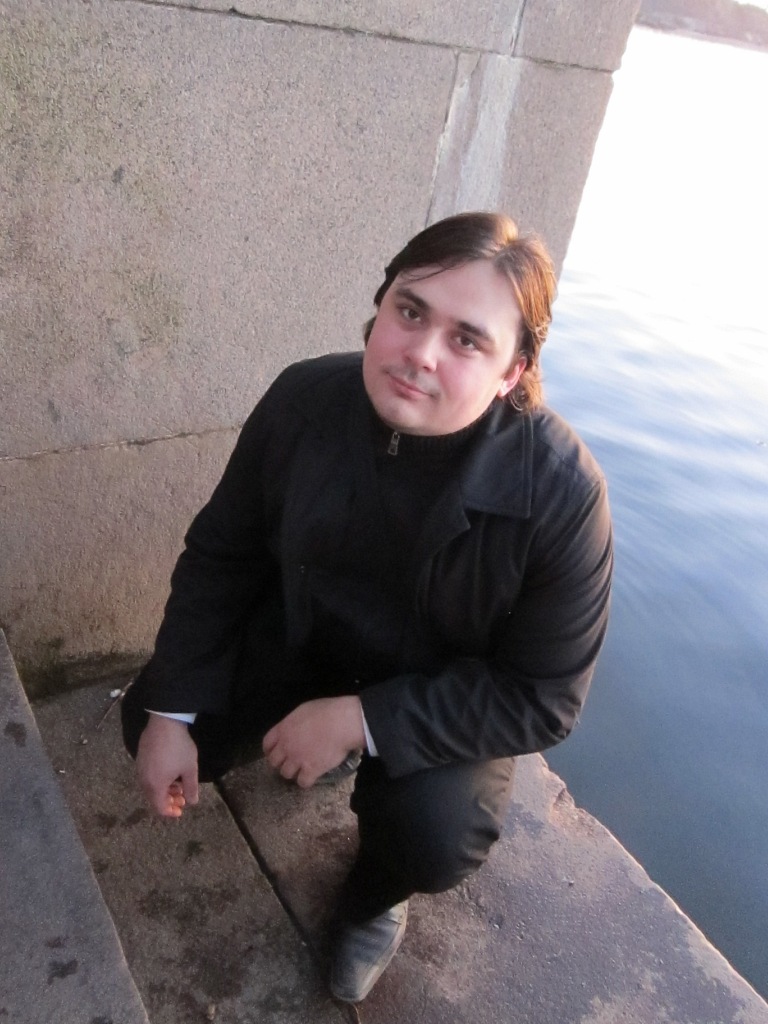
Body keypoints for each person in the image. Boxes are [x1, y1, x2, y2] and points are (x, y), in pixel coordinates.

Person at [122, 211, 613, 1003]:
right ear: (380, 306)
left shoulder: (562, 496)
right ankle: (267, 733)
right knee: (149, 717)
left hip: (436, 686)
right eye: (410, 311)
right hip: (305, 636)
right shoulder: (304, 399)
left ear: (513, 371)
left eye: (467, 339)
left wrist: (362, 720)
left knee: (435, 834)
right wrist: (172, 712)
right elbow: (223, 554)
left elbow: (544, 696)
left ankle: (372, 898)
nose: (421, 353)